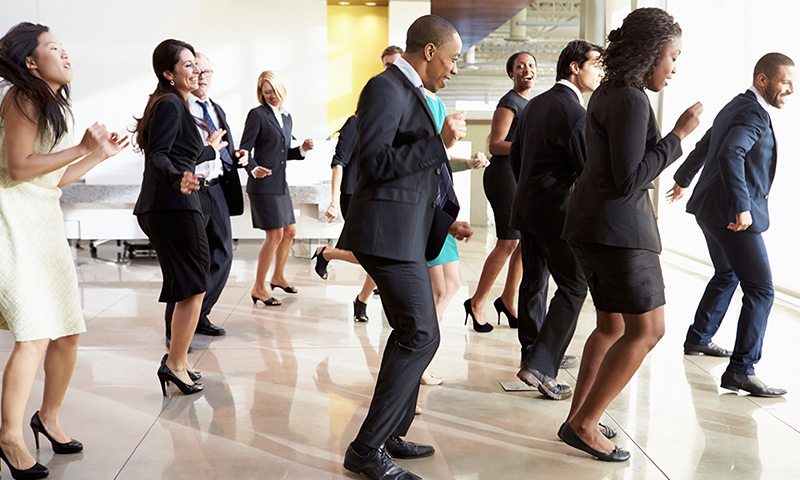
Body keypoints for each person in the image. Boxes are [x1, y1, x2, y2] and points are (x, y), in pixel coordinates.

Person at [560, 7, 702, 461]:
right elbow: (629, 179)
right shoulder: (630, 98)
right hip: (617, 231)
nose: (674, 67)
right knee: (649, 330)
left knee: (612, 326)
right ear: (651, 51)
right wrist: (679, 135)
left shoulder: (609, 92)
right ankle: (584, 422)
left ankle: (579, 415)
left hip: (596, 226)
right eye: (673, 56)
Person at [338, 15, 472, 480]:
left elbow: (416, 168)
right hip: (384, 232)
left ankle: (391, 432)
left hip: (404, 230)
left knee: (409, 332)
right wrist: (440, 143)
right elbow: (373, 163)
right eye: (452, 58)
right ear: (430, 51)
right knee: (421, 333)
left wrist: (446, 219)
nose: (454, 68)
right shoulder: (385, 88)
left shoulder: (410, 90)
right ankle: (366, 449)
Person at [0, 22, 127, 478]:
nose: (66, 54)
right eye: (54, 48)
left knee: (67, 330)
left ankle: (48, 417)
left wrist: (97, 155)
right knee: (33, 332)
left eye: (65, 47)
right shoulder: (22, 97)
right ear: (31, 62)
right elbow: (17, 168)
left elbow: (51, 177)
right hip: (12, 221)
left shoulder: (51, 103)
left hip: (43, 221)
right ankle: (10, 436)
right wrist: (80, 147)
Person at [667, 52, 796, 397]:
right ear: (763, 80)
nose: (791, 89)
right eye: (785, 81)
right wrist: (742, 208)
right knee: (762, 290)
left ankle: (698, 337)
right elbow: (729, 153)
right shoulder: (753, 114)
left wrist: (682, 178)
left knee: (727, 273)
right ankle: (741, 369)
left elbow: (708, 142)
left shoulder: (735, 105)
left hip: (708, 210)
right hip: (730, 216)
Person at [133, 39, 227, 397]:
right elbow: (158, 156)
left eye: (196, 64)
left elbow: (176, 151)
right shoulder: (171, 104)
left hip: (170, 203)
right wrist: (179, 178)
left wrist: (209, 149)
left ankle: (181, 360)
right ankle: (174, 364)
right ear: (168, 73)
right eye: (187, 65)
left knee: (189, 284)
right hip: (172, 204)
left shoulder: (173, 104)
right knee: (193, 285)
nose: (195, 70)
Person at [512, 40, 604, 401]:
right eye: (596, 64)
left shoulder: (535, 105)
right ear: (574, 68)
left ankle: (532, 353)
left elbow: (517, 158)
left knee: (534, 281)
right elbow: (586, 169)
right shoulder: (574, 112)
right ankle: (541, 365)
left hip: (528, 206)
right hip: (554, 211)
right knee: (574, 286)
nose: (601, 72)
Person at [313, 46, 404, 322]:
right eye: (387, 65)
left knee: (380, 252)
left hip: (383, 193)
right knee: (372, 254)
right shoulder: (354, 123)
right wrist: (332, 200)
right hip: (354, 193)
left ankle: (362, 299)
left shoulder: (393, 122)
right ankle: (327, 253)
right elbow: (339, 161)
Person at [163, 52, 248, 343]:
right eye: (197, 70)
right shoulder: (179, 107)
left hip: (218, 187)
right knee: (188, 261)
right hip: (191, 188)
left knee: (223, 253)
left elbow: (223, 146)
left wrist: (237, 157)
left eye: (207, 71)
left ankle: (199, 313)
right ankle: (175, 328)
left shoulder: (215, 108)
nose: (202, 76)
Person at [463, 51, 535, 333]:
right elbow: (495, 144)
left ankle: (507, 299)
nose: (525, 69)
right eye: (519, 66)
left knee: (525, 241)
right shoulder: (510, 102)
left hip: (519, 175)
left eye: (530, 65)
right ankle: (478, 301)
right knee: (508, 241)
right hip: (503, 175)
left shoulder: (530, 103)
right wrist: (532, 146)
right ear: (511, 74)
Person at [422, 88, 489, 386]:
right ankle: (419, 358)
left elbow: (440, 161)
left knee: (451, 285)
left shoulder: (434, 102)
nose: (451, 69)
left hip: (439, 211)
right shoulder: (419, 102)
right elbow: (425, 162)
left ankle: (420, 357)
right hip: (430, 213)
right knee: (441, 291)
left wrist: (468, 164)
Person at [242, 71, 314, 306]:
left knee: (290, 232)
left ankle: (278, 276)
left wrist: (301, 149)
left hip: (279, 185)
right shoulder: (257, 115)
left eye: (274, 91)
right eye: (266, 92)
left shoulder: (286, 117)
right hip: (263, 185)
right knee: (274, 235)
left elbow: (283, 154)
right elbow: (244, 151)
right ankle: (258, 288)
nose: (271, 96)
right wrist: (253, 168)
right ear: (261, 94)